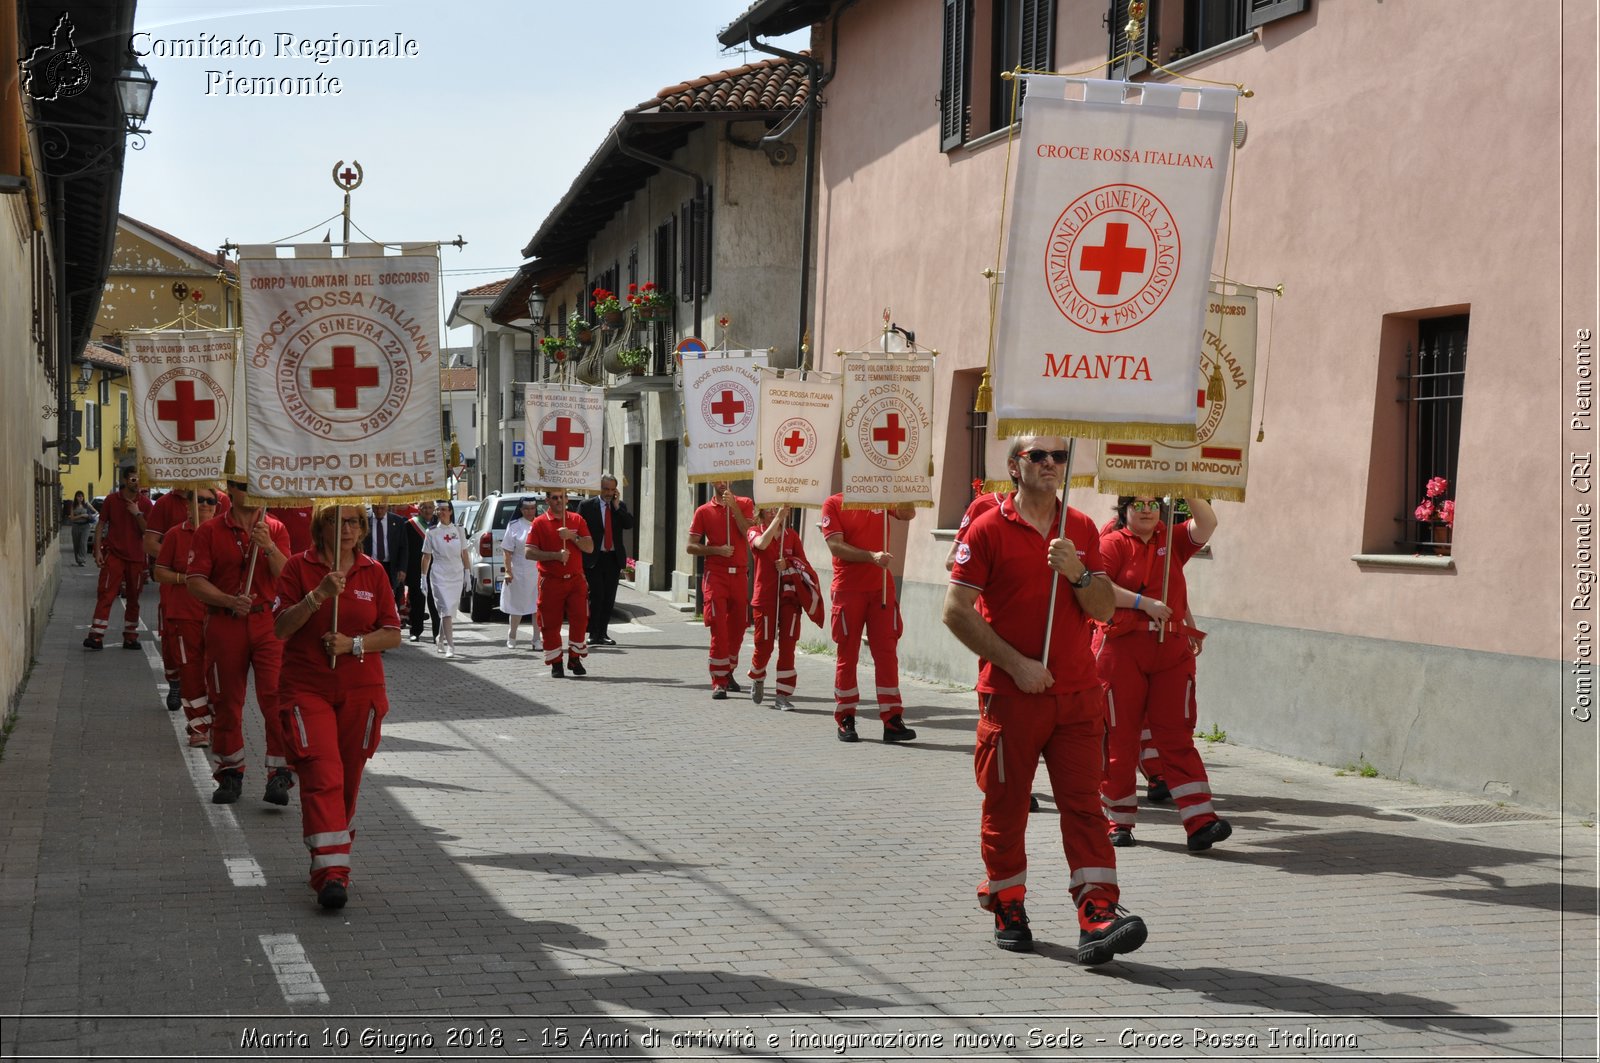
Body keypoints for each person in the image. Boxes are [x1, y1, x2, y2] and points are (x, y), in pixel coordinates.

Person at [943, 435, 1146, 964]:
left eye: (1059, 456)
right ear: (1016, 465)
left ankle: (1097, 913)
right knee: (1007, 807)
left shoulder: (1078, 528)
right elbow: (956, 610)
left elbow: (1103, 609)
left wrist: (1077, 571)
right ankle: (1007, 902)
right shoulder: (988, 526)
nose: (1052, 464)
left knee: (1084, 806)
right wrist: (1016, 664)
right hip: (1011, 696)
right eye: (1039, 456)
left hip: (1078, 695)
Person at [272, 505, 402, 910]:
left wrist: (353, 645)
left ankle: (331, 854)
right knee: (322, 773)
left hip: (361, 691)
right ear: (320, 526)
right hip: (307, 688)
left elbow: (393, 633)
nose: (348, 529)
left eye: (354, 522)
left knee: (346, 780)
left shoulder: (373, 572)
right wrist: (317, 597)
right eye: (337, 521)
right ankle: (331, 874)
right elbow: (280, 627)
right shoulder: (297, 567)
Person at [1096, 494, 1230, 853]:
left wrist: (1189, 489)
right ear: (1123, 510)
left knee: (1176, 737)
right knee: (1120, 740)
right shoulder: (1110, 543)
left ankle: (1201, 822)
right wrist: (1143, 604)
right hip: (1122, 651)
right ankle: (1117, 820)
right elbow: (1097, 589)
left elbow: (1208, 525)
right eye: (1137, 504)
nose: (1145, 509)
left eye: (1153, 503)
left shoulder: (1172, 540)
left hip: (1171, 653)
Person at [185, 479, 293, 805]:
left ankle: (280, 774)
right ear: (230, 489)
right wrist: (229, 600)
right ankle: (230, 773)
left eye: (256, 484)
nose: (251, 490)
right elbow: (194, 581)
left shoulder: (275, 527)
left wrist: (269, 546)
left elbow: (288, 576)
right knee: (226, 701)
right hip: (225, 621)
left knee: (275, 698)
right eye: (244, 484)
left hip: (267, 623)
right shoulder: (210, 530)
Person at [819, 492, 918, 743]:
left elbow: (908, 513)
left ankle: (892, 719)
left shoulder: (881, 495)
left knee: (886, 654)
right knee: (847, 655)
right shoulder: (833, 503)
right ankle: (846, 717)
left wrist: (902, 484)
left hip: (881, 590)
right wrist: (870, 556)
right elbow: (836, 546)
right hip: (848, 590)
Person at [153, 488, 221, 746]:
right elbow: (159, 572)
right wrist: (188, 580)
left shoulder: (224, 535)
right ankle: (199, 727)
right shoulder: (174, 535)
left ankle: (219, 722)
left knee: (217, 672)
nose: (204, 504)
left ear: (217, 506)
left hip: (218, 615)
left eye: (210, 501)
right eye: (199, 500)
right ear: (187, 506)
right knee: (191, 672)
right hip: (184, 615)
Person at [746, 504, 821, 711]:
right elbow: (761, 545)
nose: (772, 511)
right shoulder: (754, 531)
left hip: (789, 597)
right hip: (765, 598)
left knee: (788, 646)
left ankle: (783, 695)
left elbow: (803, 565)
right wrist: (778, 519)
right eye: (768, 508)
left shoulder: (792, 536)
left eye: (776, 508)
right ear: (760, 511)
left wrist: (788, 562)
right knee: (765, 645)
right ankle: (758, 676)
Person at [686, 481, 753, 699]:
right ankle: (718, 681)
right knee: (718, 626)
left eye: (726, 478)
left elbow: (749, 533)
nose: (722, 482)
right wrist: (716, 550)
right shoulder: (703, 511)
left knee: (739, 626)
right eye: (718, 478)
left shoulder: (745, 503)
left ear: (732, 480)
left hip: (740, 574)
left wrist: (734, 507)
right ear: (712, 481)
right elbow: (690, 546)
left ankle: (728, 670)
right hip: (716, 574)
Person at [525, 488, 593, 678]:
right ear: (547, 500)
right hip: (550, 581)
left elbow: (589, 547)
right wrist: (555, 556)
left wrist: (572, 537)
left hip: (575, 579)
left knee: (580, 619)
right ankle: (556, 662)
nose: (559, 501)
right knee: (550, 623)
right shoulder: (539, 523)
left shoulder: (576, 520)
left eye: (562, 497)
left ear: (567, 499)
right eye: (554, 498)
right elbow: (529, 552)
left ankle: (575, 657)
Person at [85, 467, 153, 651]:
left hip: (136, 558)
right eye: (132, 479)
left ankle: (131, 637)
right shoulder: (112, 500)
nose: (136, 483)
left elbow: (147, 531)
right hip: (114, 555)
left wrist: (137, 512)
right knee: (106, 593)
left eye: (139, 479)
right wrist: (98, 550)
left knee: (133, 597)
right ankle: (96, 636)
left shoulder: (145, 504)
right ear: (124, 480)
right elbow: (101, 524)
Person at [578, 475, 632, 647]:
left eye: (611, 490)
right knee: (597, 595)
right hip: (594, 557)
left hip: (613, 558)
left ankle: (603, 633)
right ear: (599, 488)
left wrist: (617, 507)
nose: (608, 493)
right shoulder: (587, 506)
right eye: (605, 489)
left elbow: (629, 524)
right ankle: (593, 633)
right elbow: (578, 528)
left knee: (609, 597)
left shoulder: (619, 507)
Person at [420, 500, 469, 658]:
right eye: (438, 510)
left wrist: (467, 572)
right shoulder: (432, 531)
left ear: (450, 512)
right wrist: (423, 577)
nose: (441, 512)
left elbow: (464, 553)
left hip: (456, 573)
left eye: (444, 510)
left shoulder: (459, 530)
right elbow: (426, 556)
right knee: (446, 609)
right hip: (439, 573)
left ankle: (440, 638)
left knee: (447, 610)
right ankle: (451, 645)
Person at [499, 497, 540, 649]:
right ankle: (512, 634)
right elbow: (507, 551)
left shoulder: (540, 523)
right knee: (517, 606)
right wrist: (508, 571)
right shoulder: (514, 525)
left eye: (532, 508)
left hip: (537, 571)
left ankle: (536, 639)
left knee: (538, 607)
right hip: (519, 571)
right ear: (521, 510)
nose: (530, 512)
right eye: (526, 509)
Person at [403, 500, 438, 643]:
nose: (428, 511)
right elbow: (405, 549)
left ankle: (438, 633)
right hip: (416, 569)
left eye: (430, 507)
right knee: (417, 602)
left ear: (434, 509)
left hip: (436, 569)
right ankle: (415, 631)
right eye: (424, 508)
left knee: (435, 602)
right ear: (419, 509)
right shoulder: (410, 525)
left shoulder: (440, 525)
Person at [364, 501, 409, 600]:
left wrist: (402, 568)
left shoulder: (398, 521)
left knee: (391, 598)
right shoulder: (365, 520)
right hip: (371, 565)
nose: (379, 511)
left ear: (387, 506)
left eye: (382, 508)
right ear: (372, 506)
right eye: (376, 508)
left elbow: (403, 547)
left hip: (390, 566)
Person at [68, 491, 96, 566]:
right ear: (76, 497)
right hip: (76, 526)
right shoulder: (73, 506)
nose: (80, 498)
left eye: (82, 496)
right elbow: (72, 518)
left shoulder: (86, 504)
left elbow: (95, 512)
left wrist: (89, 514)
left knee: (83, 543)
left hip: (85, 526)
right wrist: (81, 516)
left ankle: (82, 560)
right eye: (79, 496)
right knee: (76, 544)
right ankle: (78, 560)